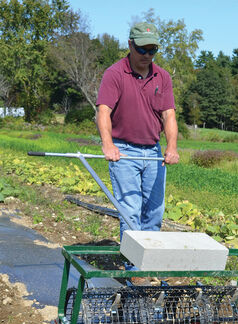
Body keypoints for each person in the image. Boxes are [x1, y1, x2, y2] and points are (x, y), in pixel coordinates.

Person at [96, 21, 179, 259]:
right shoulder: (114, 74)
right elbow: (103, 111)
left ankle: (148, 261)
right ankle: (134, 269)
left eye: (152, 50)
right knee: (130, 211)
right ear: (130, 44)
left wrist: (171, 147)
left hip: (153, 152)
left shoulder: (162, 76)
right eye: (142, 49)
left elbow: (169, 115)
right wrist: (108, 144)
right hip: (124, 152)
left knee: (154, 212)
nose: (146, 55)